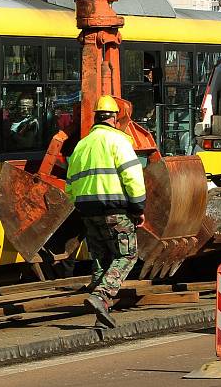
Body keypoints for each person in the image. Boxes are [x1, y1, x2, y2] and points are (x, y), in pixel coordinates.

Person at [65, 95, 146, 328]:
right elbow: (132, 177)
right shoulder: (118, 141)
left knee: (101, 259)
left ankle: (100, 313)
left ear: (96, 118)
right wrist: (138, 207)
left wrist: (80, 204)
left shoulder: (82, 145)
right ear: (114, 118)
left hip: (87, 212)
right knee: (126, 255)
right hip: (115, 210)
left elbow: (70, 183)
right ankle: (101, 296)